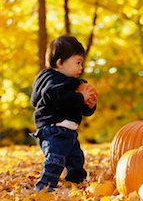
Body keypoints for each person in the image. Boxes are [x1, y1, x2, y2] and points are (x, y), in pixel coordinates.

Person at [30, 35, 98, 192]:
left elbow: (76, 106)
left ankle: (75, 182)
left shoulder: (70, 84)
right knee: (56, 158)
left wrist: (88, 105)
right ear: (60, 63)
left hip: (68, 131)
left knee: (76, 159)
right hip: (54, 130)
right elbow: (56, 96)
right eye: (78, 62)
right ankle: (44, 187)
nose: (81, 68)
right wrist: (80, 97)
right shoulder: (53, 80)